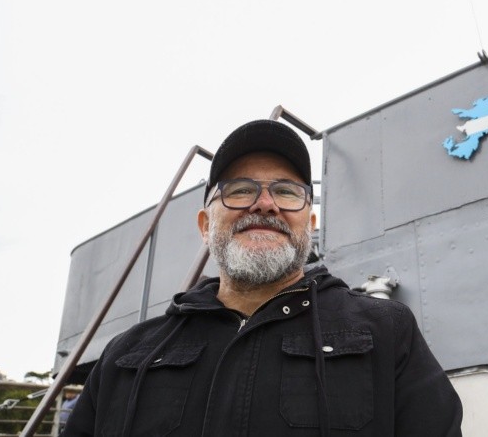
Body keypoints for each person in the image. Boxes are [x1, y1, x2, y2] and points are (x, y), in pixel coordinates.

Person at [62, 119, 463, 436]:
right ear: (205, 225)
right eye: (240, 189)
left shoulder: (388, 333)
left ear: (311, 222)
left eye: (287, 192)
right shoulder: (124, 355)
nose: (266, 204)